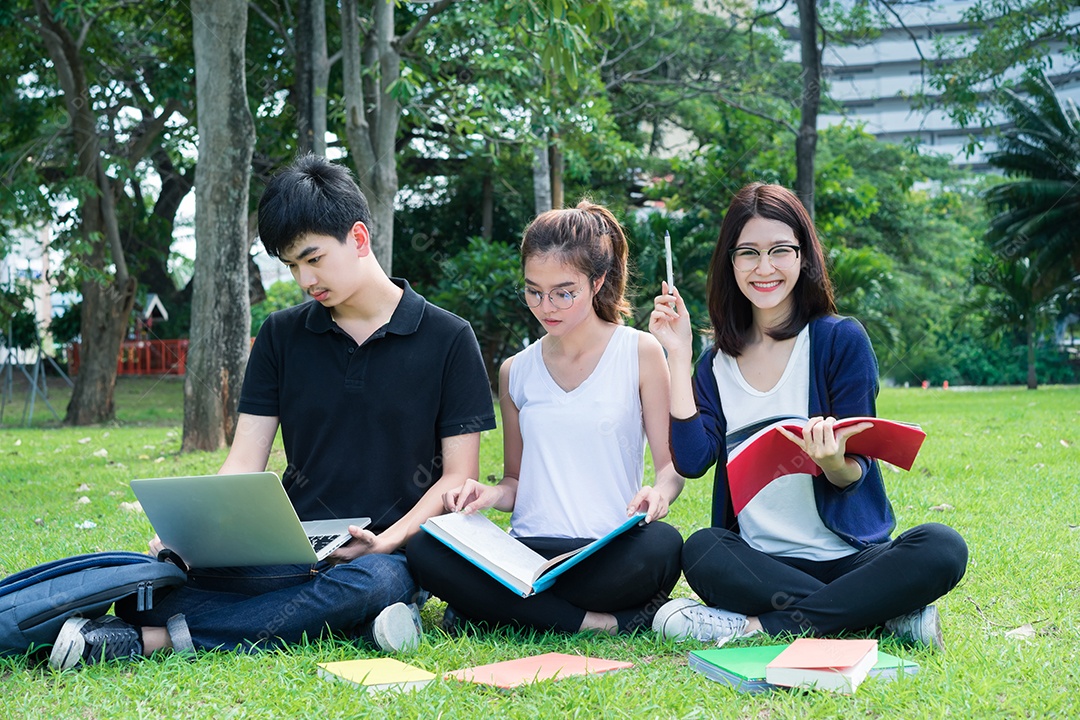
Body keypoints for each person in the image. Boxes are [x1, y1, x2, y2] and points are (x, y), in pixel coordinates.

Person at [48, 154, 496, 669]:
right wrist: (191, 536)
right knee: (148, 584)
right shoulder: (282, 337)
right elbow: (244, 462)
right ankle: (355, 624)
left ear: (358, 238)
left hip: (387, 551)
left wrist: (385, 542)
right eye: (292, 266)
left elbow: (456, 479)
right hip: (291, 546)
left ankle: (155, 642)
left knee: (375, 582)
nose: (305, 280)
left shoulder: (448, 337)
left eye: (313, 258)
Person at [648, 183, 967, 650]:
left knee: (942, 546)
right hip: (759, 563)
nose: (764, 268)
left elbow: (855, 472)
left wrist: (833, 460)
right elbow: (694, 460)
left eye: (780, 250)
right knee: (702, 549)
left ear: (803, 257)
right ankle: (880, 615)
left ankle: (759, 628)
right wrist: (676, 355)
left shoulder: (840, 341)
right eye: (748, 253)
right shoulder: (714, 365)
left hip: (849, 559)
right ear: (730, 262)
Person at [406, 201, 684, 635]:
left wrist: (659, 493)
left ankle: (497, 609)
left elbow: (671, 469)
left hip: (605, 551)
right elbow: (516, 484)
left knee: (665, 547)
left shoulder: (640, 352)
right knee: (425, 546)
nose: (546, 306)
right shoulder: (516, 369)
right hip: (529, 551)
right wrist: (488, 494)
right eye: (533, 291)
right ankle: (597, 623)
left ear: (598, 282)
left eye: (563, 292)